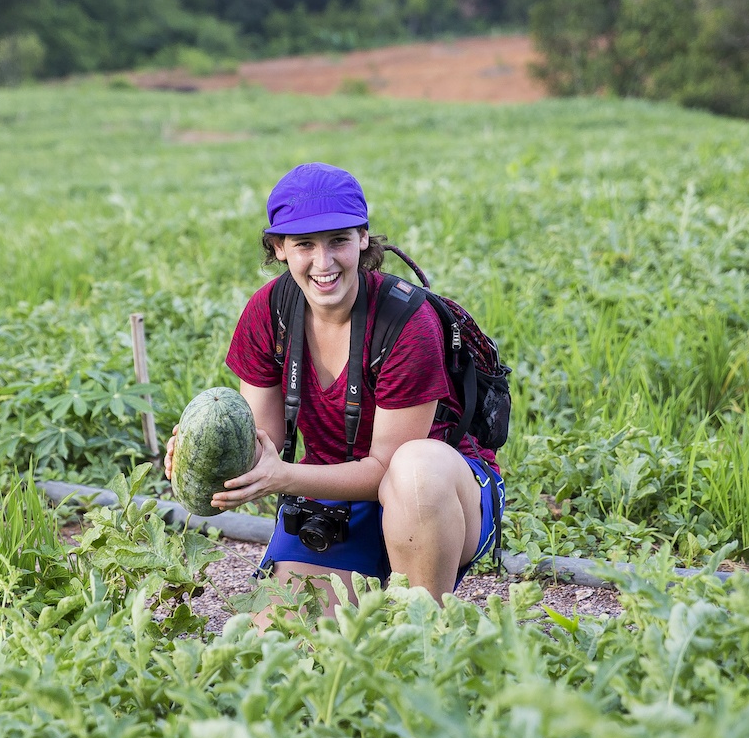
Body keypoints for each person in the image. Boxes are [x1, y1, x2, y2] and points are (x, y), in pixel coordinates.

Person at [165, 161, 503, 614]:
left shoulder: (406, 321)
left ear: (363, 239)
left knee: (416, 466)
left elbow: (386, 468)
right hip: (334, 492)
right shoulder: (269, 313)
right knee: (286, 644)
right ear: (279, 248)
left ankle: (427, 628)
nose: (323, 263)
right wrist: (203, 459)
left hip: (440, 497)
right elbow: (264, 444)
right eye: (304, 244)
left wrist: (284, 477)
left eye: (338, 241)